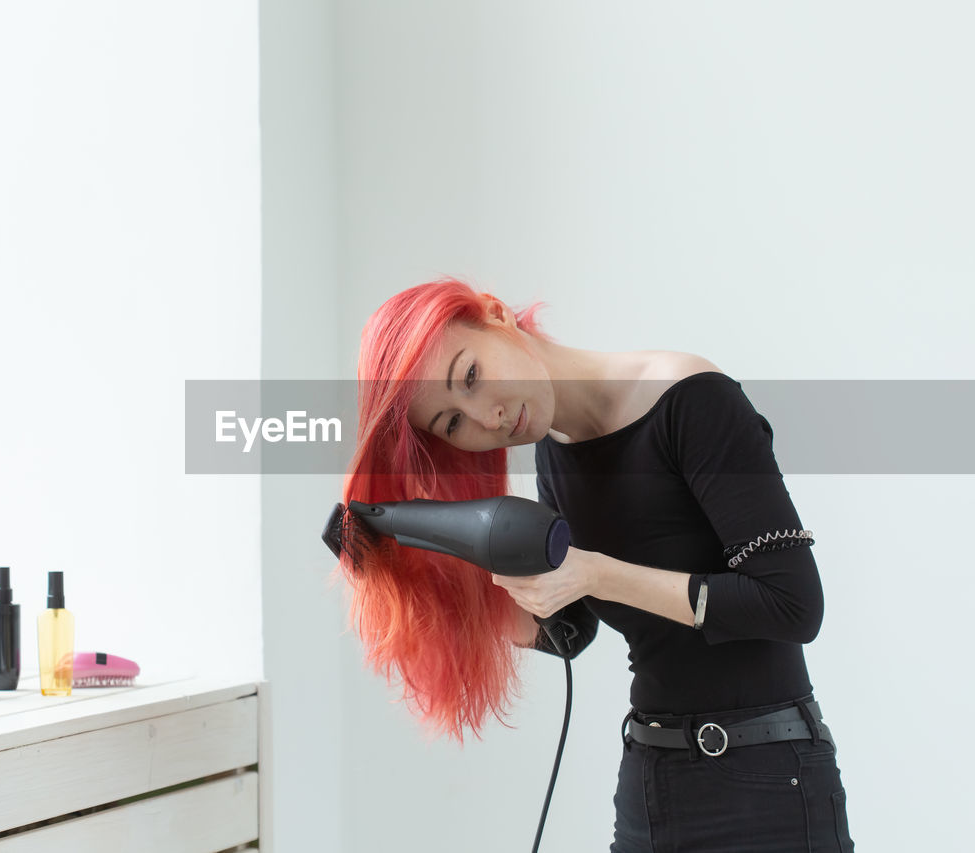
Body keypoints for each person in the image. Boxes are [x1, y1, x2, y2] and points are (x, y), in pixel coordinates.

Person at [336, 277, 855, 852]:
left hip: (768, 784)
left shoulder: (689, 398)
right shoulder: (554, 455)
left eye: (471, 377)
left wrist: (598, 572)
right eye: (453, 423)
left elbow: (791, 605)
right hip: (652, 780)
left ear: (492, 315)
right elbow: (572, 630)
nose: (488, 416)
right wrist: (426, 571)